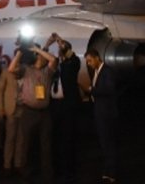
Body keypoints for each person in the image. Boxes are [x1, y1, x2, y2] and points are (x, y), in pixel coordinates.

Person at [8, 42, 56, 183]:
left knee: (46, 144)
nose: (44, 58)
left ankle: (47, 173)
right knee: (26, 143)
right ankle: (25, 171)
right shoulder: (26, 70)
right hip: (29, 112)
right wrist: (20, 52)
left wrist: (37, 49)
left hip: (44, 112)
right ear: (36, 57)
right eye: (41, 56)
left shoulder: (47, 71)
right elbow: (11, 69)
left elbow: (53, 59)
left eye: (43, 56)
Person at [48, 34, 81, 184]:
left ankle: (70, 171)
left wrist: (60, 41)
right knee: (55, 139)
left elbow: (71, 55)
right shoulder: (56, 65)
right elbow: (41, 58)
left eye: (62, 48)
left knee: (68, 139)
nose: (59, 49)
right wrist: (47, 44)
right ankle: (57, 169)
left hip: (68, 106)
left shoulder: (73, 63)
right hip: (55, 106)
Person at [83, 48, 119, 184]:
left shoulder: (107, 71)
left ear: (97, 58)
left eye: (90, 61)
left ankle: (112, 173)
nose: (89, 64)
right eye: (87, 62)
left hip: (106, 114)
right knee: (104, 144)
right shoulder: (97, 71)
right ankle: (107, 170)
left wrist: (92, 90)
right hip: (100, 112)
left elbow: (109, 89)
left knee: (108, 143)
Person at [0, 52, 21, 177]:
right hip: (11, 108)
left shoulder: (25, 71)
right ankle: (7, 164)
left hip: (23, 108)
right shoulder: (6, 72)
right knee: (10, 137)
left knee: (21, 139)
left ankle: (18, 164)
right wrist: (0, 108)